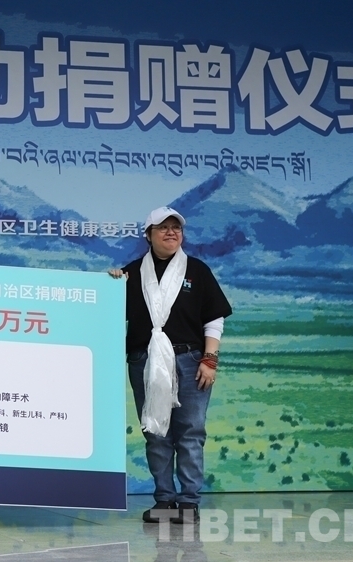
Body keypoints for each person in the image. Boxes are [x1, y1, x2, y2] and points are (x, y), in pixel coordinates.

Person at [109, 206, 231, 525]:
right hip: (145, 361)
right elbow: (107, 312)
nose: (171, 232)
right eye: (163, 227)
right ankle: (164, 499)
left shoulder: (197, 271)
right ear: (148, 235)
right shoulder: (131, 274)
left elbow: (214, 318)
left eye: (176, 227)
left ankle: (189, 502)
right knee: (156, 431)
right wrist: (111, 286)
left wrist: (210, 359)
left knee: (191, 431)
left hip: (190, 361)